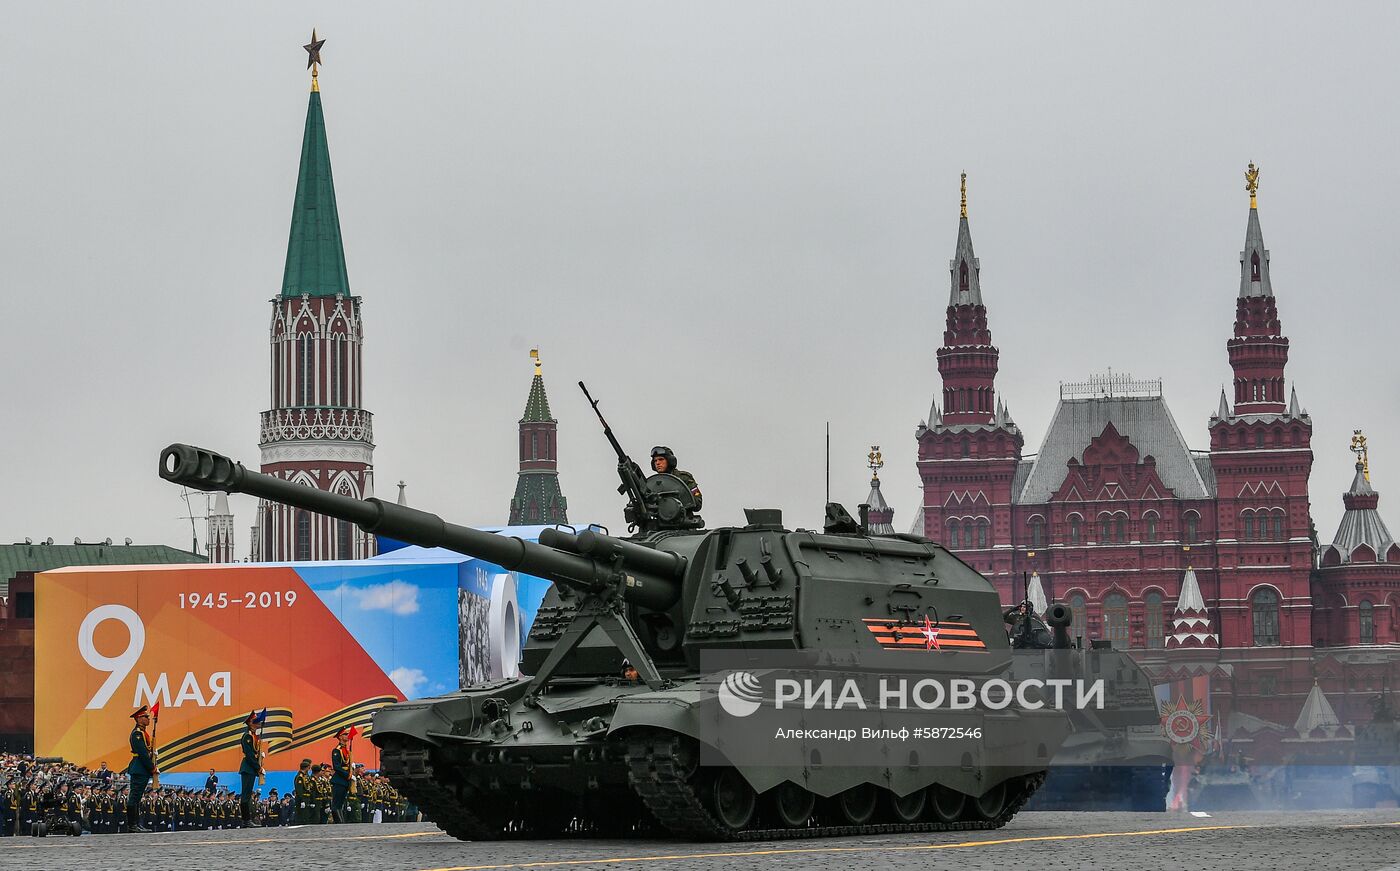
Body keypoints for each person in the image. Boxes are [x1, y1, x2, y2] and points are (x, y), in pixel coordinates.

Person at [126, 704, 158, 833]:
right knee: (134, 797)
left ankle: (136, 824)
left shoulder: (143, 733)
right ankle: (132, 825)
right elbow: (143, 754)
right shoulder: (137, 734)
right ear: (139, 719)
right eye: (146, 717)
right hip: (139, 768)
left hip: (141, 768)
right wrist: (152, 768)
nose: (148, 719)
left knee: (138, 798)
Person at [649, 446, 702, 510]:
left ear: (669, 461)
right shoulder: (653, 483)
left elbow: (697, 502)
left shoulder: (684, 478)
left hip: (682, 517)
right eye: (655, 461)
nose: (657, 463)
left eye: (661, 459)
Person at [238, 711, 264, 827]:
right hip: (248, 768)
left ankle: (246, 820)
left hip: (251, 768)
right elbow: (249, 755)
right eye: (256, 722)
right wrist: (258, 767)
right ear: (251, 724)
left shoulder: (253, 735)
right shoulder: (247, 736)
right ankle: (246, 820)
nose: (259, 723)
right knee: (246, 796)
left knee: (247, 795)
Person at [330, 729, 352, 823]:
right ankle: (338, 822)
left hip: (345, 780)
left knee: (341, 803)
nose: (347, 736)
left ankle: (341, 821)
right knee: (336, 803)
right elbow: (337, 766)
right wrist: (347, 774)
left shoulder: (346, 750)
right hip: (339, 779)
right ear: (340, 737)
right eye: (345, 734)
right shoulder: (336, 750)